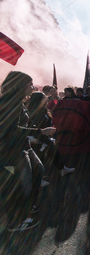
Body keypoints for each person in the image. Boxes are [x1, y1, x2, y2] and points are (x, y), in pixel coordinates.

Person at [0, 71, 56, 231]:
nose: (32, 87)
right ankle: (16, 222)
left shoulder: (18, 102)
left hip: (22, 146)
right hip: (10, 151)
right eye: (29, 84)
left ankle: (28, 206)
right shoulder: (8, 102)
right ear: (19, 86)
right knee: (18, 184)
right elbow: (10, 130)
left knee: (38, 170)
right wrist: (41, 132)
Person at [27, 92, 76, 177]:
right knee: (45, 150)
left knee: (48, 150)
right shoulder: (34, 112)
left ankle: (43, 174)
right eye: (44, 98)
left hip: (43, 135)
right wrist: (44, 135)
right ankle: (39, 177)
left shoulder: (43, 110)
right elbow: (36, 127)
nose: (46, 99)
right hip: (38, 136)